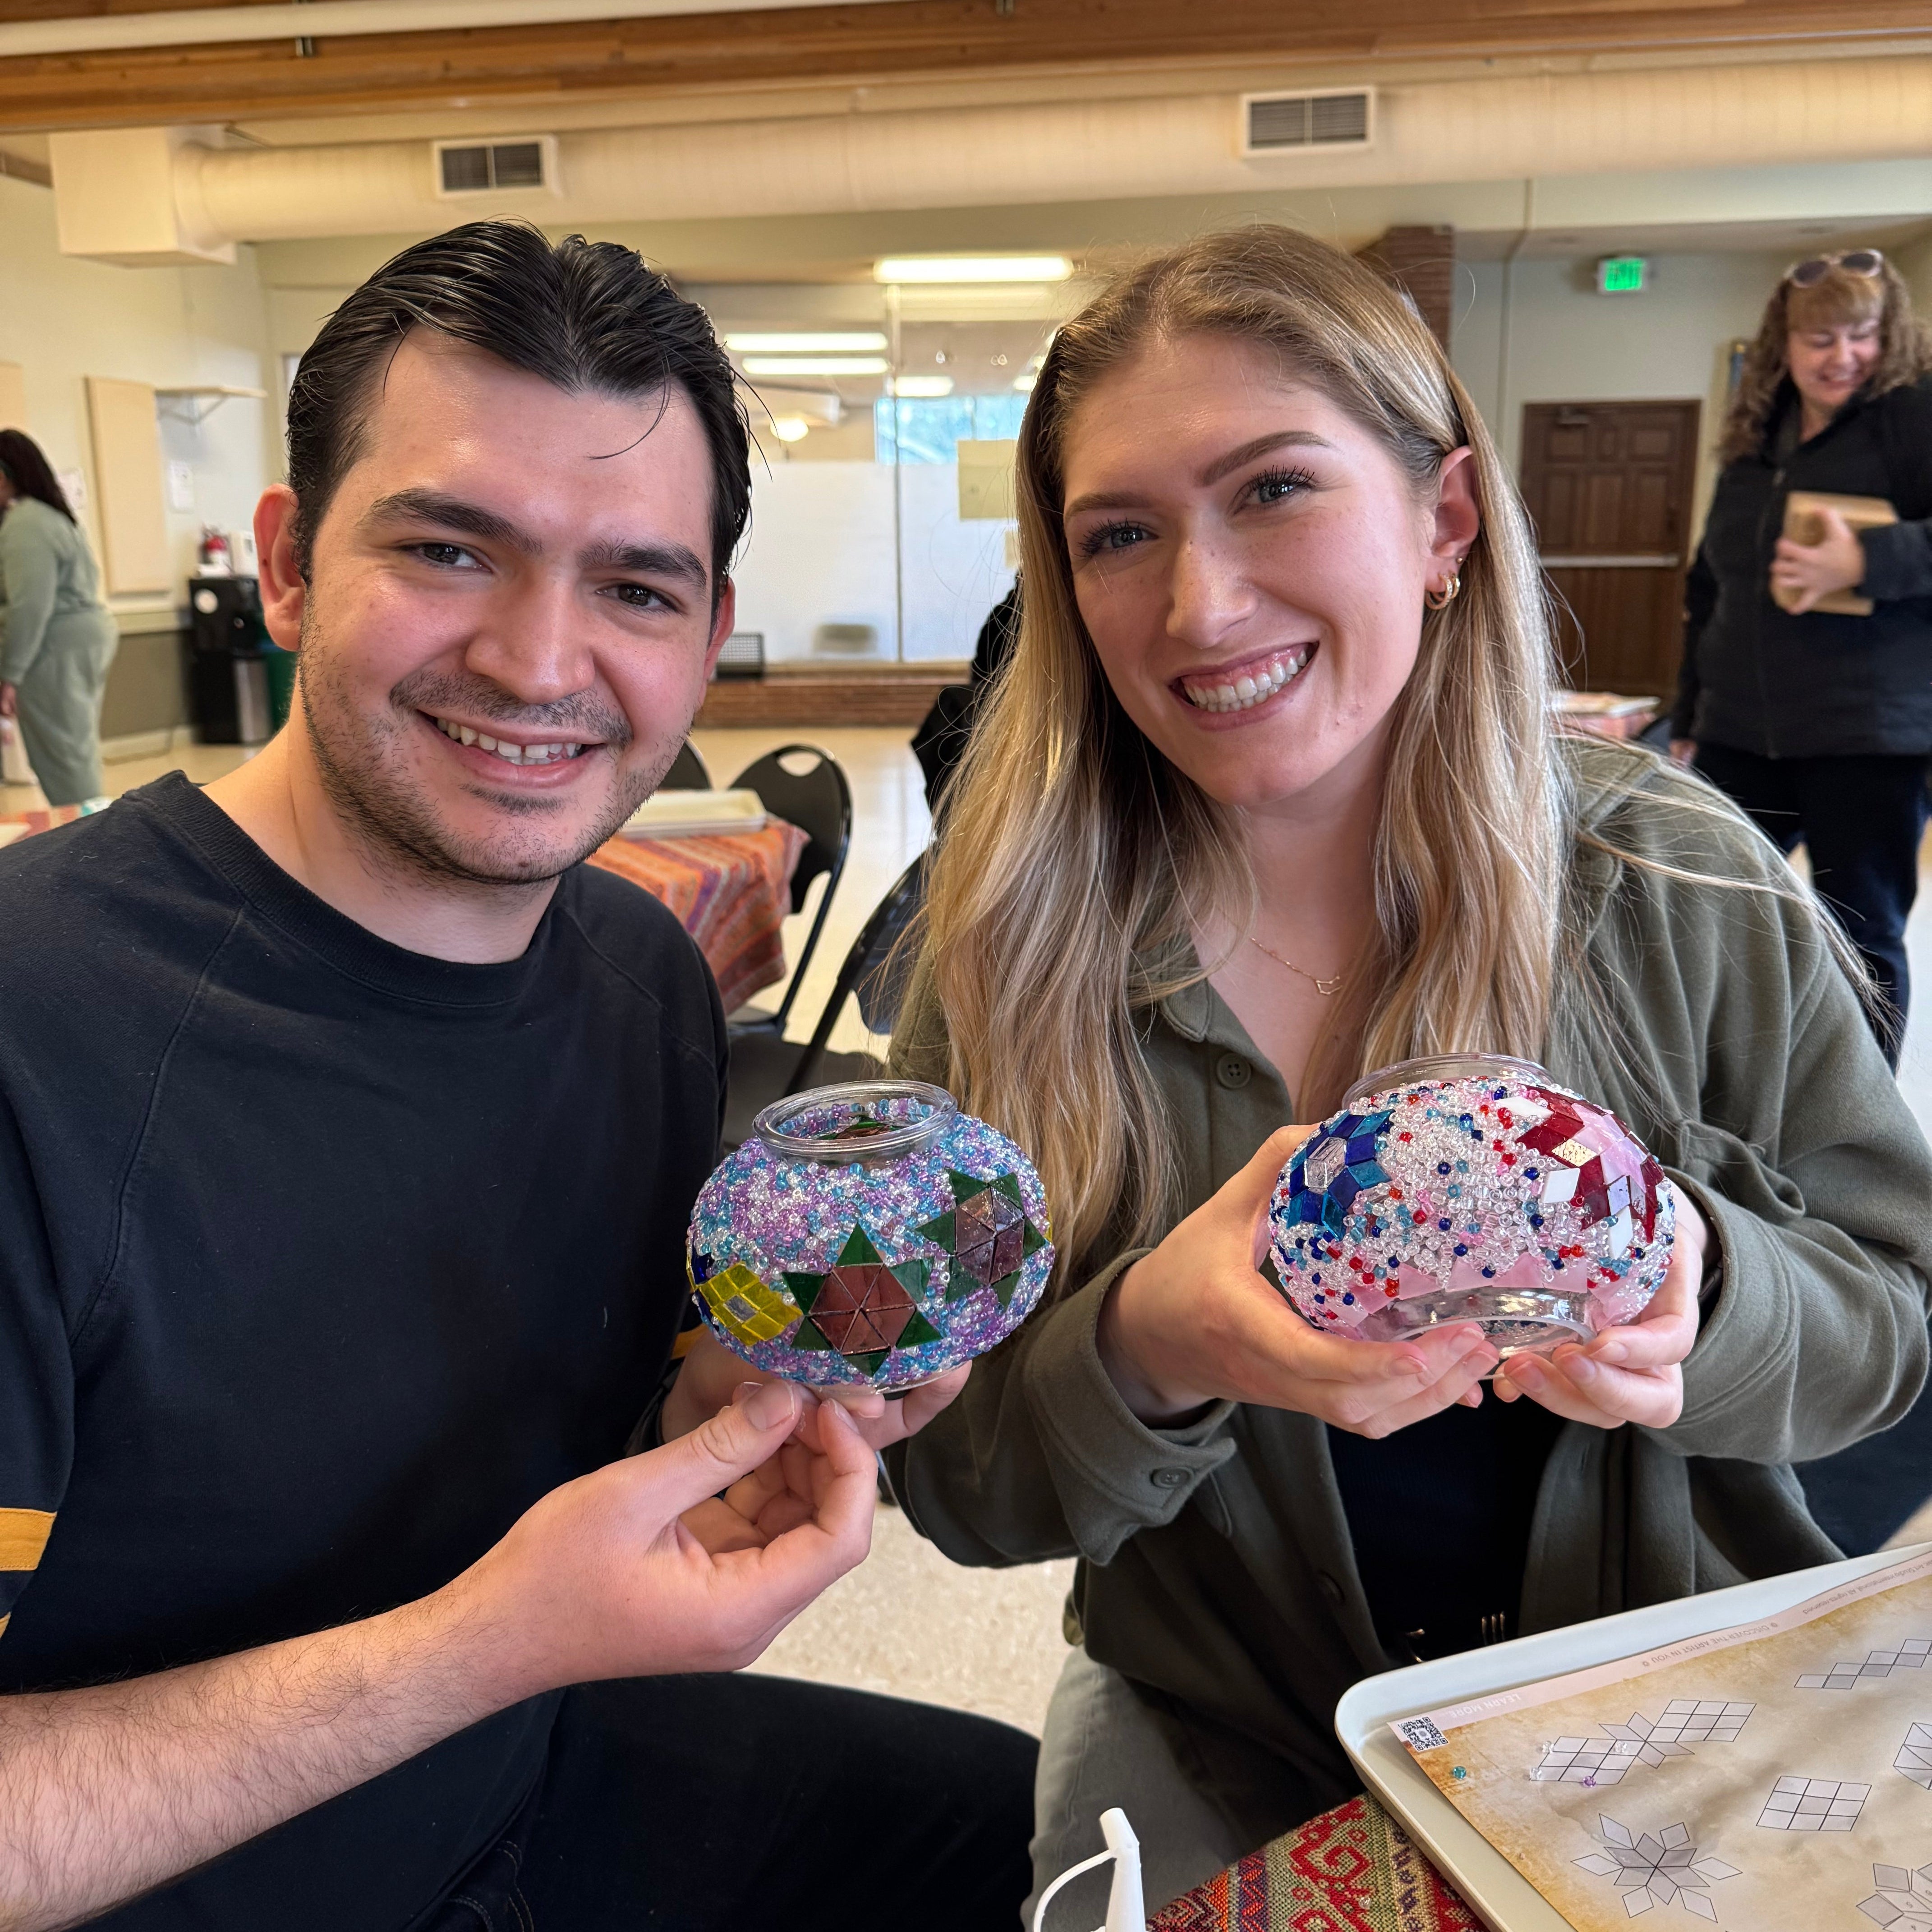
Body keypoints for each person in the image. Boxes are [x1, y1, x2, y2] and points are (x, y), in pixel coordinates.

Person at [874, 228, 1932, 1920]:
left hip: (1677, 1726)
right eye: (1119, 533)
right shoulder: (1004, 954)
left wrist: (1702, 1291)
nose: (1198, 602)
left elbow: (1892, 1325)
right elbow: (958, 1483)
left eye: (1273, 489)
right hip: (1226, 1731)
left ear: (1442, 520)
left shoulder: (1675, 885)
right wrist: (1149, 1341)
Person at [0, 221, 1035, 1932]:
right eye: (449, 550)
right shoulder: (41, 1043)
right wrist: (491, 1640)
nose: (541, 663)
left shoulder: (643, 981)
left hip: (515, 1780)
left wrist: (711, 1421)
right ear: (286, 564)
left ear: (706, 639)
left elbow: (502, 1425)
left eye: (635, 585)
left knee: (1033, 1838)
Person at [1669, 249, 1932, 1064]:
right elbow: (1709, 583)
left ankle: (1861, 1135)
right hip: (1740, 729)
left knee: (1860, 935)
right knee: (1696, 913)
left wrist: (1865, 563)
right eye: (1820, 337)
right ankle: (1717, 1088)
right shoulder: (1757, 433)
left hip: (1867, 735)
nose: (1841, 356)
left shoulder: (1912, 417)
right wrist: (1688, 715)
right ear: (1782, 340)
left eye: (1860, 335)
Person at [0, 430, 117, 810]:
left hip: (54, 647)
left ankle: (93, 848)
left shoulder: (25, 525)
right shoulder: (47, 517)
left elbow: (28, 608)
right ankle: (93, 836)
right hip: (76, 640)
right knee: (73, 751)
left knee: (65, 761)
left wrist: (9, 675)